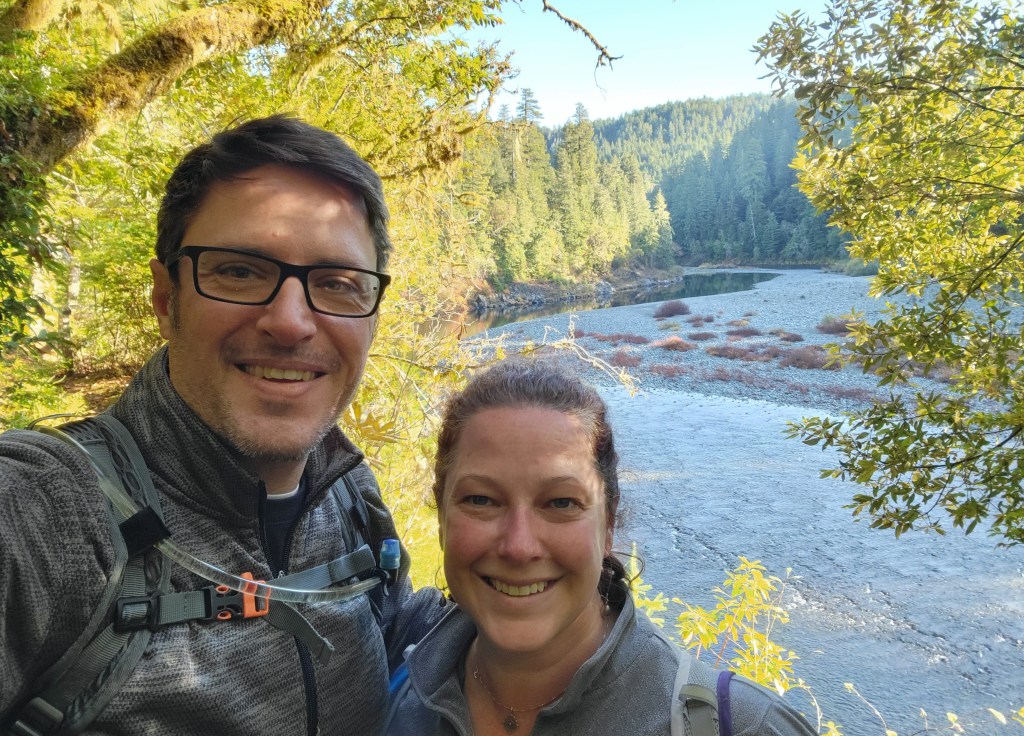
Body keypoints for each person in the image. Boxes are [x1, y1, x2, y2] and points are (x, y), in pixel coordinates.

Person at [0, 115, 446, 735]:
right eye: (239, 271)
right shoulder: (42, 517)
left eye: (337, 283)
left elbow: (391, 622)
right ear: (165, 298)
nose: (290, 323)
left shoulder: (345, 490)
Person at [387, 357, 818, 736]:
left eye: (560, 502)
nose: (519, 547)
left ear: (608, 525)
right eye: (481, 500)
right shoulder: (393, 689)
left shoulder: (742, 726)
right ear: (442, 518)